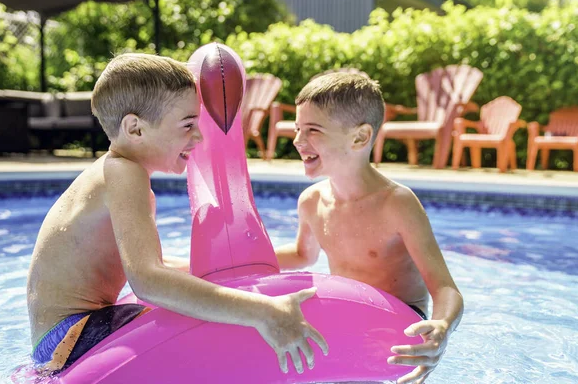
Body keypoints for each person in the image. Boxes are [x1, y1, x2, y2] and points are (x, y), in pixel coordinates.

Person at [26, 53, 328, 375]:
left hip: (60, 340)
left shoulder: (111, 175)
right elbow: (148, 281)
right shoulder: (125, 175)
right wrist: (263, 310)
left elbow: (150, 264)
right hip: (72, 338)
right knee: (212, 332)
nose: (198, 137)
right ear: (135, 129)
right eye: (187, 125)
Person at [275, 72, 463, 384]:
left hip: (396, 328)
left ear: (360, 137)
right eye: (298, 129)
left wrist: (441, 326)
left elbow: (445, 287)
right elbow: (300, 255)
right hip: (346, 319)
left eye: (313, 130)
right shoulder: (312, 202)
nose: (297, 140)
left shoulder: (397, 204)